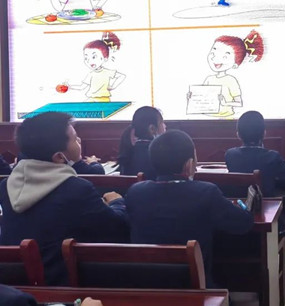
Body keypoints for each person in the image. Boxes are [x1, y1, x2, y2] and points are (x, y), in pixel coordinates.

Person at [0, 112, 129, 285]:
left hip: (14, 285)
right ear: (60, 157)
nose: (79, 141)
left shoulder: (6, 186)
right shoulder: (76, 188)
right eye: (75, 139)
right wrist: (116, 202)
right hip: (63, 284)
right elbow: (117, 229)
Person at [125, 129, 254, 288]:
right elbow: (243, 224)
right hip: (194, 286)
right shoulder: (206, 192)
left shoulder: (135, 192)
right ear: (189, 164)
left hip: (146, 285)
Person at [225, 110, 285, 198]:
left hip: (240, 203)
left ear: (238, 135)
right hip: (265, 202)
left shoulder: (230, 155)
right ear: (264, 133)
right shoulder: (272, 157)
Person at [199, 30, 264, 118]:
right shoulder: (209, 79)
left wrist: (225, 103)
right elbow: (202, 97)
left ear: (235, 65)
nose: (215, 58)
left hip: (226, 119)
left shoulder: (231, 80)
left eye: (225, 56)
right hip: (208, 117)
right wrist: (193, 97)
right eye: (213, 53)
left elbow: (239, 102)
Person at [67, 32, 126, 102]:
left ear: (105, 58)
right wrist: (69, 87)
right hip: (92, 99)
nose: (89, 61)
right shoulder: (91, 74)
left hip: (103, 99)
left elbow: (122, 76)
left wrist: (112, 86)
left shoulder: (107, 72)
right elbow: (82, 87)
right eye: (86, 58)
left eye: (94, 57)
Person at [117, 106, 165, 180]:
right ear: (152, 129)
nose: (165, 126)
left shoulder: (129, 151)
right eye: (162, 123)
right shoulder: (158, 154)